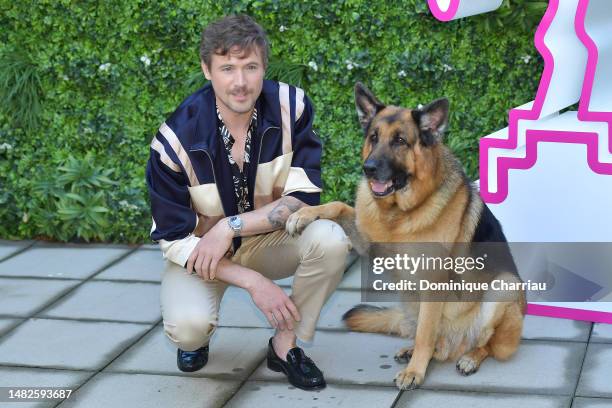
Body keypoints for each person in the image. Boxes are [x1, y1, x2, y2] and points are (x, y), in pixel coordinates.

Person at [146, 14, 351, 390]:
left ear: (264, 67)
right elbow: (174, 236)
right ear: (206, 70)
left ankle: (284, 345)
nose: (240, 82)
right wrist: (254, 282)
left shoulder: (293, 108)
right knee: (188, 329)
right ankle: (198, 337)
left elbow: (303, 198)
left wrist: (230, 226)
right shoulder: (174, 141)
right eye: (227, 68)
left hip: (269, 240)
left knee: (330, 239)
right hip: (202, 255)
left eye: (250, 67)